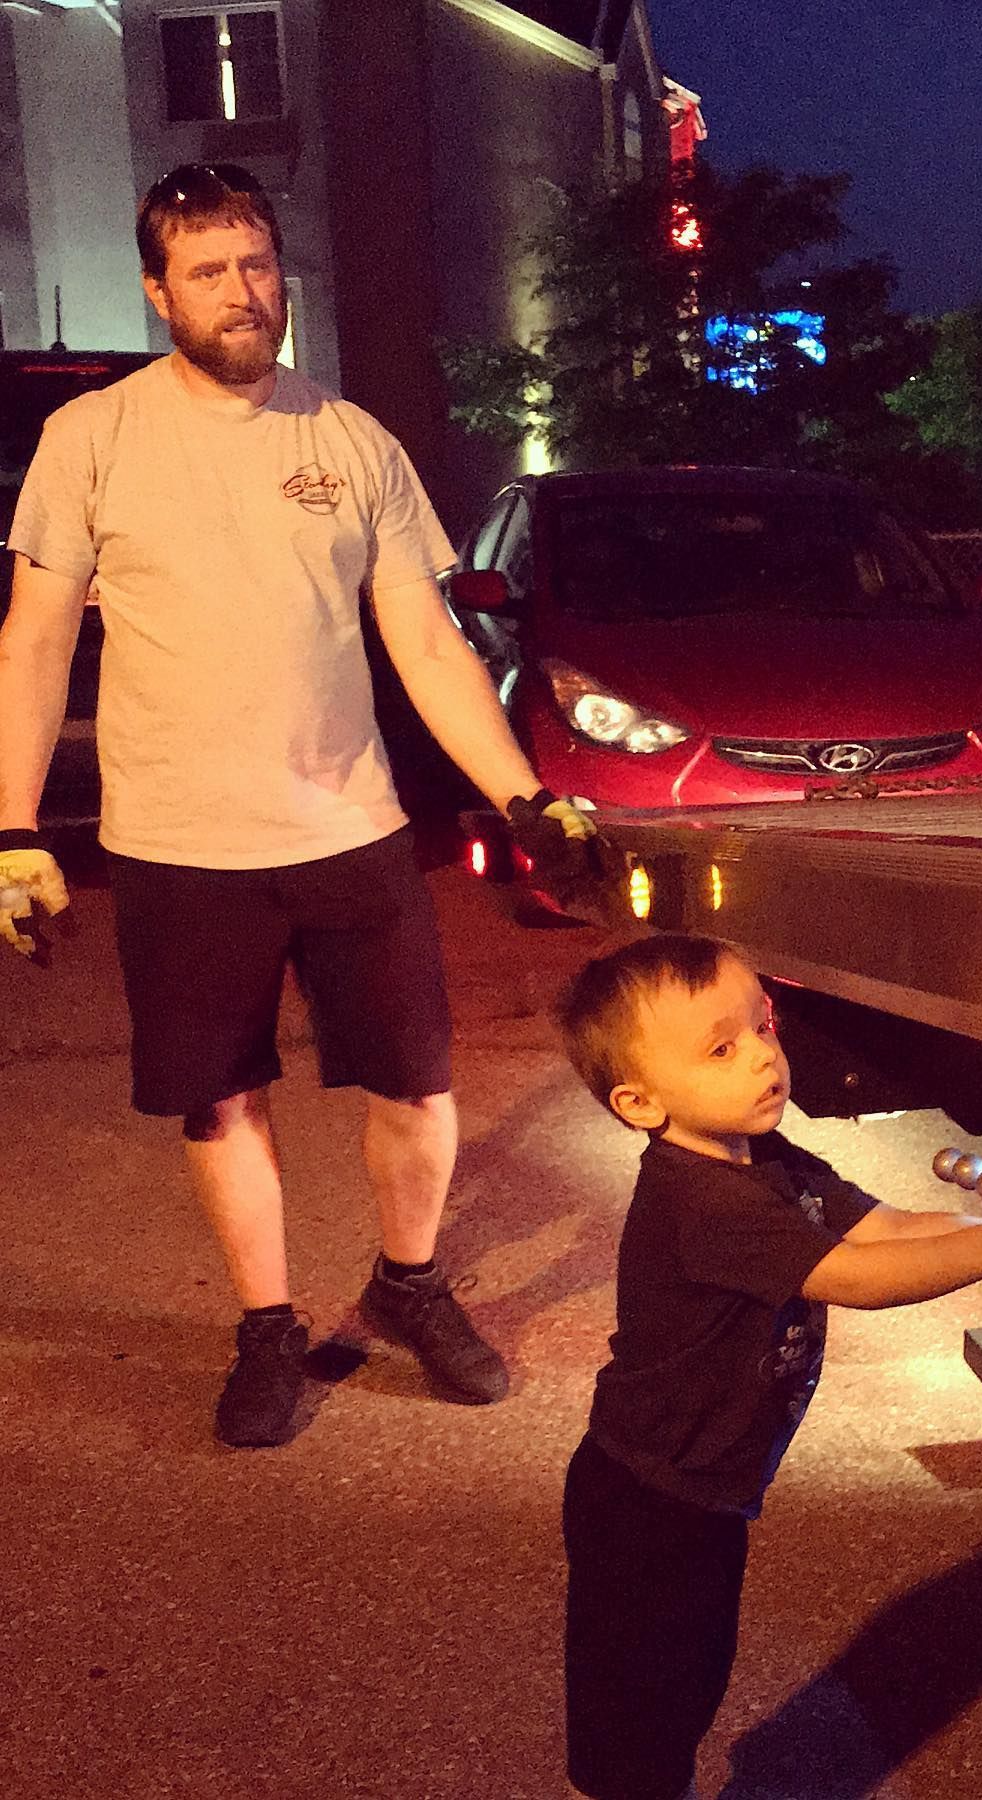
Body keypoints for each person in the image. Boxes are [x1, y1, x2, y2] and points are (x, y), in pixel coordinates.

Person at [0, 162, 599, 1449]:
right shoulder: (91, 438)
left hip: (351, 829)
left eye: (257, 263)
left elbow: (427, 645)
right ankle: (267, 1327)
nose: (241, 292)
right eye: (207, 270)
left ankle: (410, 1284)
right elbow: (35, 640)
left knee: (420, 1089)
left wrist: (527, 796)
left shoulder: (351, 439)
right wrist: (12, 831)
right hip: (176, 845)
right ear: (158, 291)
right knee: (220, 1101)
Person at [554, 933, 982, 1800]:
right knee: (639, 1704)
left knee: (691, 1677)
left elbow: (884, 1227)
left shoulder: (765, 1162)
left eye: (762, 1027)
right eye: (720, 1049)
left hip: (704, 1490)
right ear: (639, 1103)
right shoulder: (700, 1202)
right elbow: (857, 1277)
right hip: (646, 1501)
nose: (762, 1057)